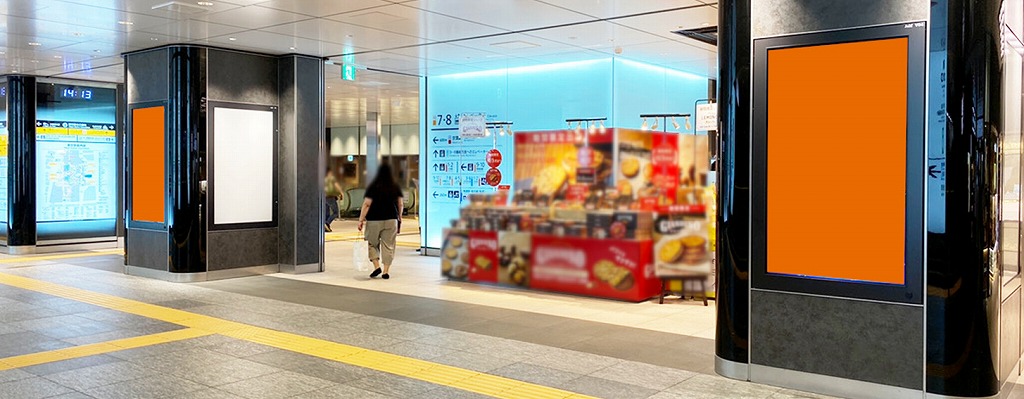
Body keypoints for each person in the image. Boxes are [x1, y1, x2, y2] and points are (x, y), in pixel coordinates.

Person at [357, 163, 403, 279]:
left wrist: (361, 220)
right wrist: (400, 218)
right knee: (389, 245)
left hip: (374, 220)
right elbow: (400, 203)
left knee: (371, 243)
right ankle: (386, 271)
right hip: (391, 219)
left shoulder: (373, 186)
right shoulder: (395, 186)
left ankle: (377, 266)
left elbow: (367, 204)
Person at [324, 166, 344, 232]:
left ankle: (326, 227)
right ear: (329, 172)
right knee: (335, 212)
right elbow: (337, 186)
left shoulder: (323, 179)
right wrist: (341, 193)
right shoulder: (331, 178)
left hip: (324, 197)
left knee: (327, 213)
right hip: (330, 197)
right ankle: (327, 223)